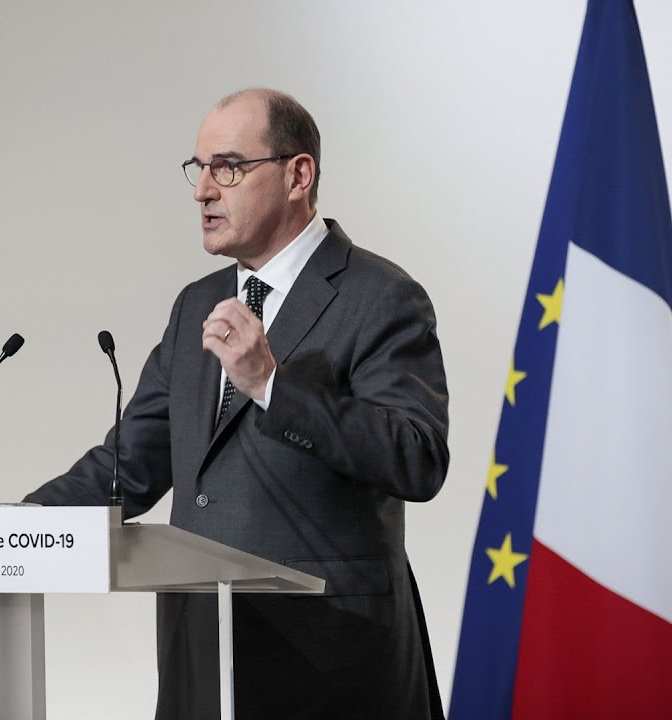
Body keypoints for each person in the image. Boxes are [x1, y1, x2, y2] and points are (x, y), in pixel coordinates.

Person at [25, 88, 450, 720]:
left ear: (297, 175)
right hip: (205, 658)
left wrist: (273, 387)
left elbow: (417, 458)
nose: (202, 190)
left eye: (227, 168)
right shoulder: (197, 304)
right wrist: (16, 527)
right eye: (198, 169)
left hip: (331, 666)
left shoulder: (380, 296)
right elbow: (131, 466)